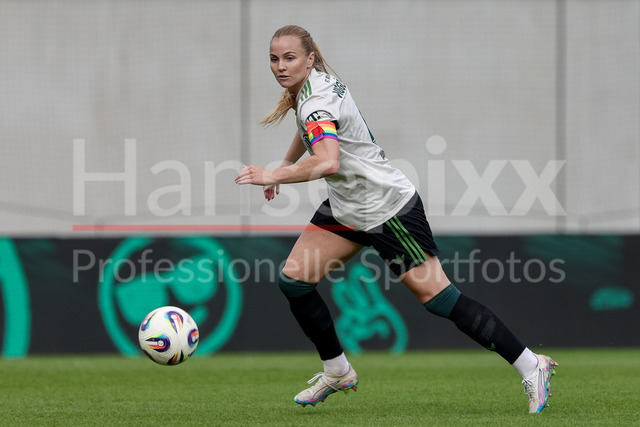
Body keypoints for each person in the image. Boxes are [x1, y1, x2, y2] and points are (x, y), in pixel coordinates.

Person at [234, 24, 557, 414]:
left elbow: (328, 160)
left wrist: (273, 174)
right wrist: (283, 167)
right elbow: (311, 133)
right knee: (295, 281)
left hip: (387, 209)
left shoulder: (315, 100)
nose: (281, 66)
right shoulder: (314, 86)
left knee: (440, 300)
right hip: (348, 207)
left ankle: (531, 364)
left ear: (309, 59)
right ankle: (337, 371)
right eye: (274, 59)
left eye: (289, 58)